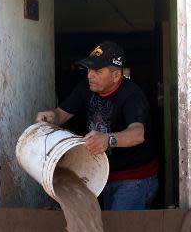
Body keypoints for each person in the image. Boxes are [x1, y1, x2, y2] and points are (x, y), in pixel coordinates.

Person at [35, 41, 158, 210]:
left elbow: (137, 134)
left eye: (97, 71)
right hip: (100, 174)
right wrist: (52, 117)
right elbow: (62, 113)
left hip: (134, 179)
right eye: (89, 69)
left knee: (121, 231)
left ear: (116, 76)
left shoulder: (132, 95)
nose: (89, 75)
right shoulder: (86, 87)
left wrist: (108, 139)